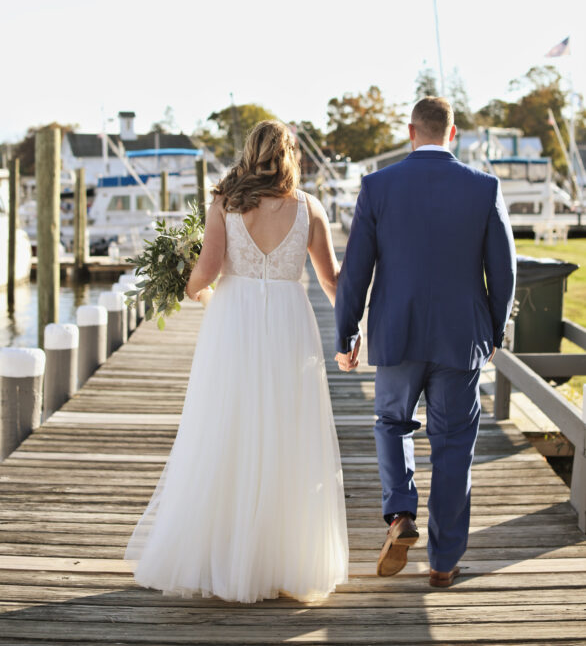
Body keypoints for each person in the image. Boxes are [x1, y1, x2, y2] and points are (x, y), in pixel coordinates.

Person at [125, 120, 348, 602]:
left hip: (234, 324)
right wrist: (354, 330)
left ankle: (225, 553)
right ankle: (283, 559)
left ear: (249, 152)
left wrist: (190, 287)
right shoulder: (310, 209)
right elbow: (333, 282)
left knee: (226, 426)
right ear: (291, 155)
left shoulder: (225, 204)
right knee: (286, 431)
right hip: (290, 323)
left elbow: (206, 270)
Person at [334, 97, 516, 588]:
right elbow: (504, 271)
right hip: (461, 337)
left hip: (397, 332)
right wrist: (493, 331)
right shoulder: (484, 187)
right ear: (452, 134)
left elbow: (355, 271)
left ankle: (399, 514)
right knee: (453, 445)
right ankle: (443, 562)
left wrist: (347, 332)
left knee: (392, 424)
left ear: (411, 131)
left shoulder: (377, 186)